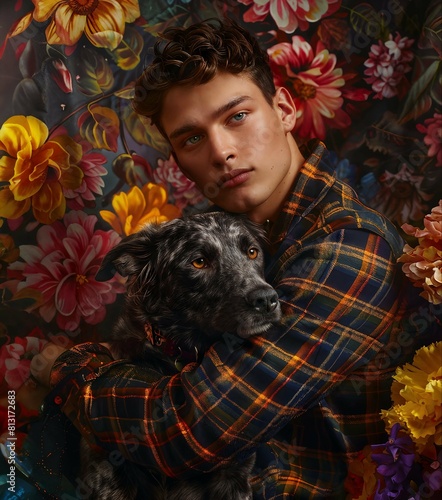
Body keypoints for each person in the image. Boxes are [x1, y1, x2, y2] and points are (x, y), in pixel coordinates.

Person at [31, 18, 438, 498]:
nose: (221, 151)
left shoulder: (348, 247)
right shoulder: (215, 235)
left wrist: (69, 369)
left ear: (284, 109)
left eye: (237, 116)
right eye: (191, 138)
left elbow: (183, 432)